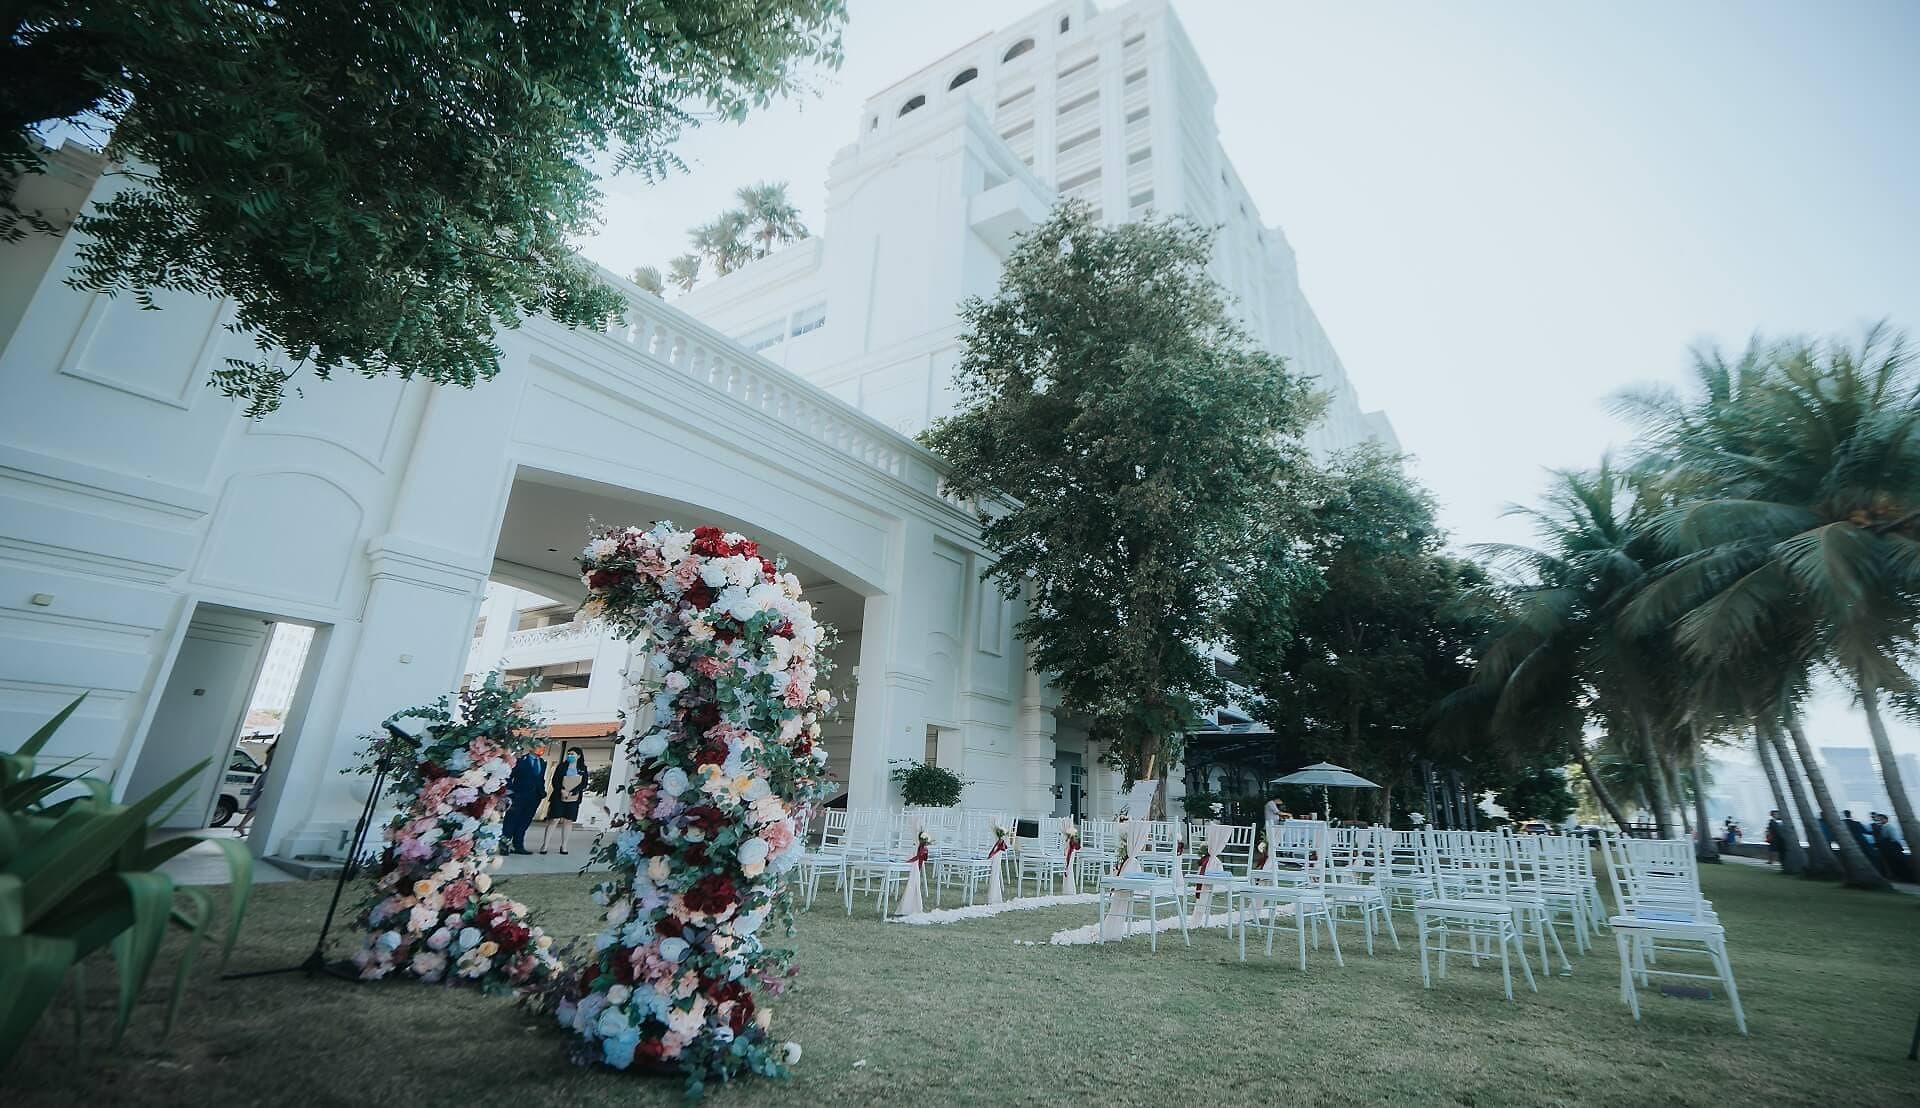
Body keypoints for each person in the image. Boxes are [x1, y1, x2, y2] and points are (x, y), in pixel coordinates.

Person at [539, 746, 589, 855]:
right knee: (554, 820)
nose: (570, 756)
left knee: (568, 821)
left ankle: (564, 846)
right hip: (559, 797)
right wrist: (562, 790)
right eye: (569, 754)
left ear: (579, 756)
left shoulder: (583, 768)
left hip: (574, 798)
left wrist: (573, 791)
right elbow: (555, 780)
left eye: (573, 754)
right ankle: (545, 845)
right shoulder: (562, 766)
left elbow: (584, 783)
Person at [502, 744, 548, 855]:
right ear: (532, 747)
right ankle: (504, 845)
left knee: (524, 821)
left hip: (534, 797)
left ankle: (518, 845)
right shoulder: (520, 761)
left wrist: (542, 792)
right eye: (539, 746)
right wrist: (510, 791)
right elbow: (508, 776)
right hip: (518, 795)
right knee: (511, 820)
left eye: (543, 747)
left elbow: (540, 779)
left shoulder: (542, 762)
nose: (541, 749)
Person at [235, 743, 275, 839]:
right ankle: (242, 825)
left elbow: (266, 764)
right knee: (260, 803)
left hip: (265, 774)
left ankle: (242, 825)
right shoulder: (278, 751)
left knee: (259, 801)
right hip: (271, 775)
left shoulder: (271, 751)